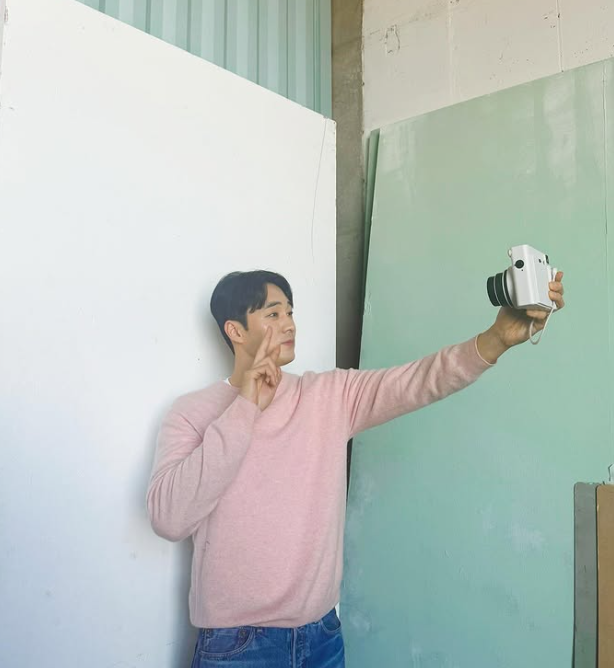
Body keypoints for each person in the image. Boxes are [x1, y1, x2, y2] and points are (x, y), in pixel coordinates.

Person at [147, 268, 565, 668]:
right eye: (273, 314)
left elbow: (422, 379)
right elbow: (169, 518)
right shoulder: (191, 413)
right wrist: (246, 408)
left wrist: (497, 338)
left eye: (290, 311)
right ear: (235, 331)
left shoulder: (329, 395)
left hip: (322, 638)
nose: (289, 323)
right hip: (236, 646)